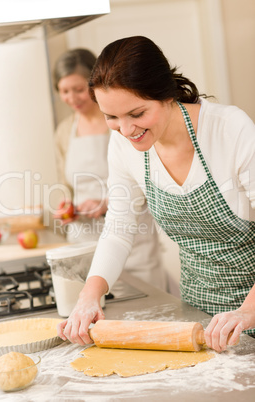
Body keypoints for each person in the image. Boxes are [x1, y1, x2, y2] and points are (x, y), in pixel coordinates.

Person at [57, 36, 255, 353]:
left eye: (136, 114)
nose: (126, 130)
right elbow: (120, 226)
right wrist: (89, 294)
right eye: (111, 117)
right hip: (199, 316)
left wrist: (248, 311)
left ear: (165, 95)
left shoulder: (229, 129)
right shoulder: (124, 144)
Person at [53, 47, 165, 288]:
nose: (73, 98)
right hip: (83, 240)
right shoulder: (64, 131)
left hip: (134, 239)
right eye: (64, 91)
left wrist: (106, 203)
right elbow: (67, 183)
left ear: (96, 86)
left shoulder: (126, 125)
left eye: (79, 89)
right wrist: (67, 206)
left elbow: (151, 181)